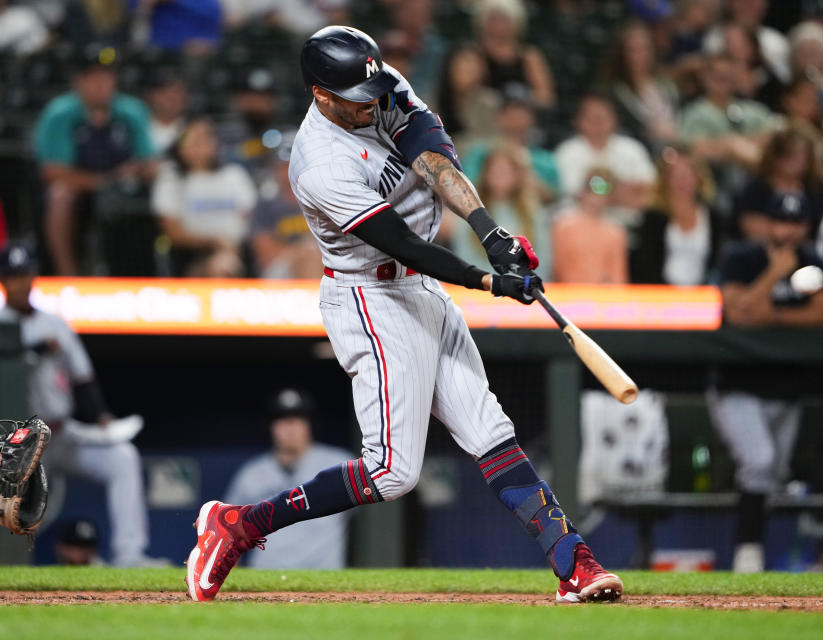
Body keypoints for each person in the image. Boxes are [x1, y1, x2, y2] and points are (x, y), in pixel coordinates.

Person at [185, 26, 622, 604]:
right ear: (321, 95)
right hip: (370, 296)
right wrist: (490, 280)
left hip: (421, 288)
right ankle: (238, 525)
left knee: (491, 433)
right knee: (391, 472)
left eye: (374, 86)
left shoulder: (378, 84)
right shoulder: (319, 163)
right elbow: (401, 243)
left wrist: (490, 233)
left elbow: (433, 158)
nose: (373, 101)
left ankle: (576, 565)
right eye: (357, 97)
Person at [0, 243, 158, 567]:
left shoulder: (54, 323)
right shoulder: (2, 324)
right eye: (12, 276)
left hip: (61, 434)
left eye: (24, 274)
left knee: (122, 458)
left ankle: (130, 554)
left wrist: (101, 417)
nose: (20, 283)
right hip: (17, 445)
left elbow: (82, 379)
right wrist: (37, 350)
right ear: (3, 281)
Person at [709, 191, 823, 573]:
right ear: (768, 224)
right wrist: (773, 276)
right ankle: (746, 553)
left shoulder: (812, 262)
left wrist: (774, 317)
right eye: (782, 221)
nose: (789, 230)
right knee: (760, 461)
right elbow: (737, 312)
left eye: (797, 223)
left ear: (806, 227)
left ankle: (751, 554)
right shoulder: (742, 257)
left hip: (787, 390)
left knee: (771, 473)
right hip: (737, 385)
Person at [32, 45, 154, 275]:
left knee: (160, 191)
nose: (101, 83)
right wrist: (103, 181)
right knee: (60, 194)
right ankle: (67, 274)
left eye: (106, 76)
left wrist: (137, 172)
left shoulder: (131, 111)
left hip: (125, 187)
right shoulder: (60, 113)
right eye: (93, 77)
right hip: (81, 190)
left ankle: (144, 273)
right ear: (79, 81)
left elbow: (149, 161)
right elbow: (53, 171)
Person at [224, 389, 352, 569]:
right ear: (271, 427)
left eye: (297, 420)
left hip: (324, 579)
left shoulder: (339, 464)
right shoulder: (251, 474)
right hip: (265, 579)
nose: (290, 428)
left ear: (310, 425)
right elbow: (230, 533)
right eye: (282, 421)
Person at [151, 117, 257, 277]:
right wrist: (215, 242)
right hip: (191, 255)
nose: (198, 145)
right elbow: (173, 231)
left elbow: (251, 218)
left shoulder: (234, 175)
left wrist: (231, 245)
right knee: (221, 266)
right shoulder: (170, 179)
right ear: (180, 145)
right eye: (191, 140)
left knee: (227, 263)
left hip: (240, 251)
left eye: (205, 138)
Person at [451, 143, 551, 278]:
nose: (500, 177)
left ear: (517, 176)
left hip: (524, 287)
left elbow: (542, 258)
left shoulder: (534, 211)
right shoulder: (470, 209)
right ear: (485, 174)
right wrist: (490, 283)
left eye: (506, 171)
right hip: (481, 288)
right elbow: (464, 255)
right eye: (495, 171)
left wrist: (527, 283)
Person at [629, 147, 721, 285]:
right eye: (675, 176)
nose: (682, 181)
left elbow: (718, 262)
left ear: (699, 178)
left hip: (704, 295)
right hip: (661, 295)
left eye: (687, 175)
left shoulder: (715, 218)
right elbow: (645, 263)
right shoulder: (653, 218)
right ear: (665, 181)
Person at [554, 93, 656, 215]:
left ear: (615, 119)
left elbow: (647, 188)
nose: (597, 121)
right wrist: (619, 192)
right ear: (578, 121)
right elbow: (574, 193)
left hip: (629, 219)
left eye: (602, 116)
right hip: (581, 220)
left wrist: (602, 192)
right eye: (591, 117)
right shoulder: (567, 152)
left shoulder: (632, 149)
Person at [732, 125, 823, 241]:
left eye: (804, 158)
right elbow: (749, 225)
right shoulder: (756, 188)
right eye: (792, 156)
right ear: (776, 157)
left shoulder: (816, 189)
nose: (799, 163)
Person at [250, 134, 325, 279]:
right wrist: (302, 250)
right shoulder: (266, 204)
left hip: (322, 264)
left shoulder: (320, 201)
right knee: (309, 253)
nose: (289, 171)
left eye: (294, 165)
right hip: (278, 270)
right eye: (284, 167)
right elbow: (266, 253)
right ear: (275, 170)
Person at [602, 20, 679, 150]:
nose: (641, 55)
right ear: (622, 53)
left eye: (645, 48)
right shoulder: (613, 93)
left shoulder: (668, 87)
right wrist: (649, 133)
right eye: (633, 49)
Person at [552, 169, 628, 284]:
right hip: (568, 295)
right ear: (582, 191)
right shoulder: (563, 226)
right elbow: (557, 269)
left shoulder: (615, 232)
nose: (596, 196)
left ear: (610, 196)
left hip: (602, 297)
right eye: (591, 188)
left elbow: (617, 276)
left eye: (603, 190)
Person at [144, 69, 187, 155]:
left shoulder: (192, 129)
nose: (172, 97)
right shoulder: (138, 129)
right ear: (151, 96)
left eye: (177, 91)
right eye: (164, 92)